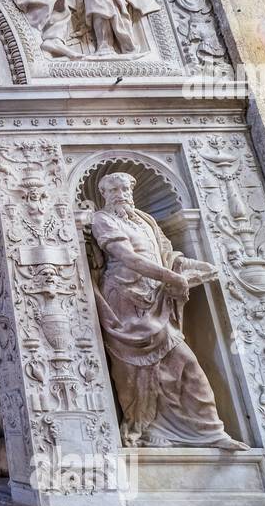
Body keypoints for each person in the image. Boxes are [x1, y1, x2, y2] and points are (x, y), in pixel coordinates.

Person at [90, 172, 244, 449]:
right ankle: (145, 428)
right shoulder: (103, 220)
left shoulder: (146, 220)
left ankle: (211, 430)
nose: (121, 193)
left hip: (156, 297)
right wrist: (171, 278)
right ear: (105, 194)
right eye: (114, 189)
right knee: (132, 372)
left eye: (125, 188)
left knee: (186, 363)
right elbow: (128, 257)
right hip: (124, 302)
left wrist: (190, 268)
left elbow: (167, 255)